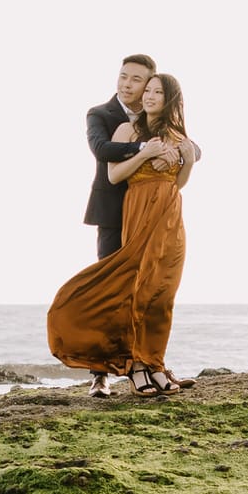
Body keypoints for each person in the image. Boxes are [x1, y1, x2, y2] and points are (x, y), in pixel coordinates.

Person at [49, 70, 197, 399]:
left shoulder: (176, 134)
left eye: (156, 92)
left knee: (163, 293)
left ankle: (155, 364)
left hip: (171, 217)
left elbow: (180, 181)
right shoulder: (126, 128)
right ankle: (135, 367)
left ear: (169, 98)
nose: (147, 95)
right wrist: (145, 154)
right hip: (139, 210)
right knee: (137, 290)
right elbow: (114, 175)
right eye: (148, 90)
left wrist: (188, 157)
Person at [84, 56, 152, 262]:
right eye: (123, 77)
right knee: (108, 272)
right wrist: (143, 148)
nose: (127, 85)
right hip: (111, 207)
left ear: (148, 85)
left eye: (136, 79)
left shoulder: (154, 115)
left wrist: (186, 154)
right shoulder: (99, 113)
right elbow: (101, 149)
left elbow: (188, 144)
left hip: (148, 208)